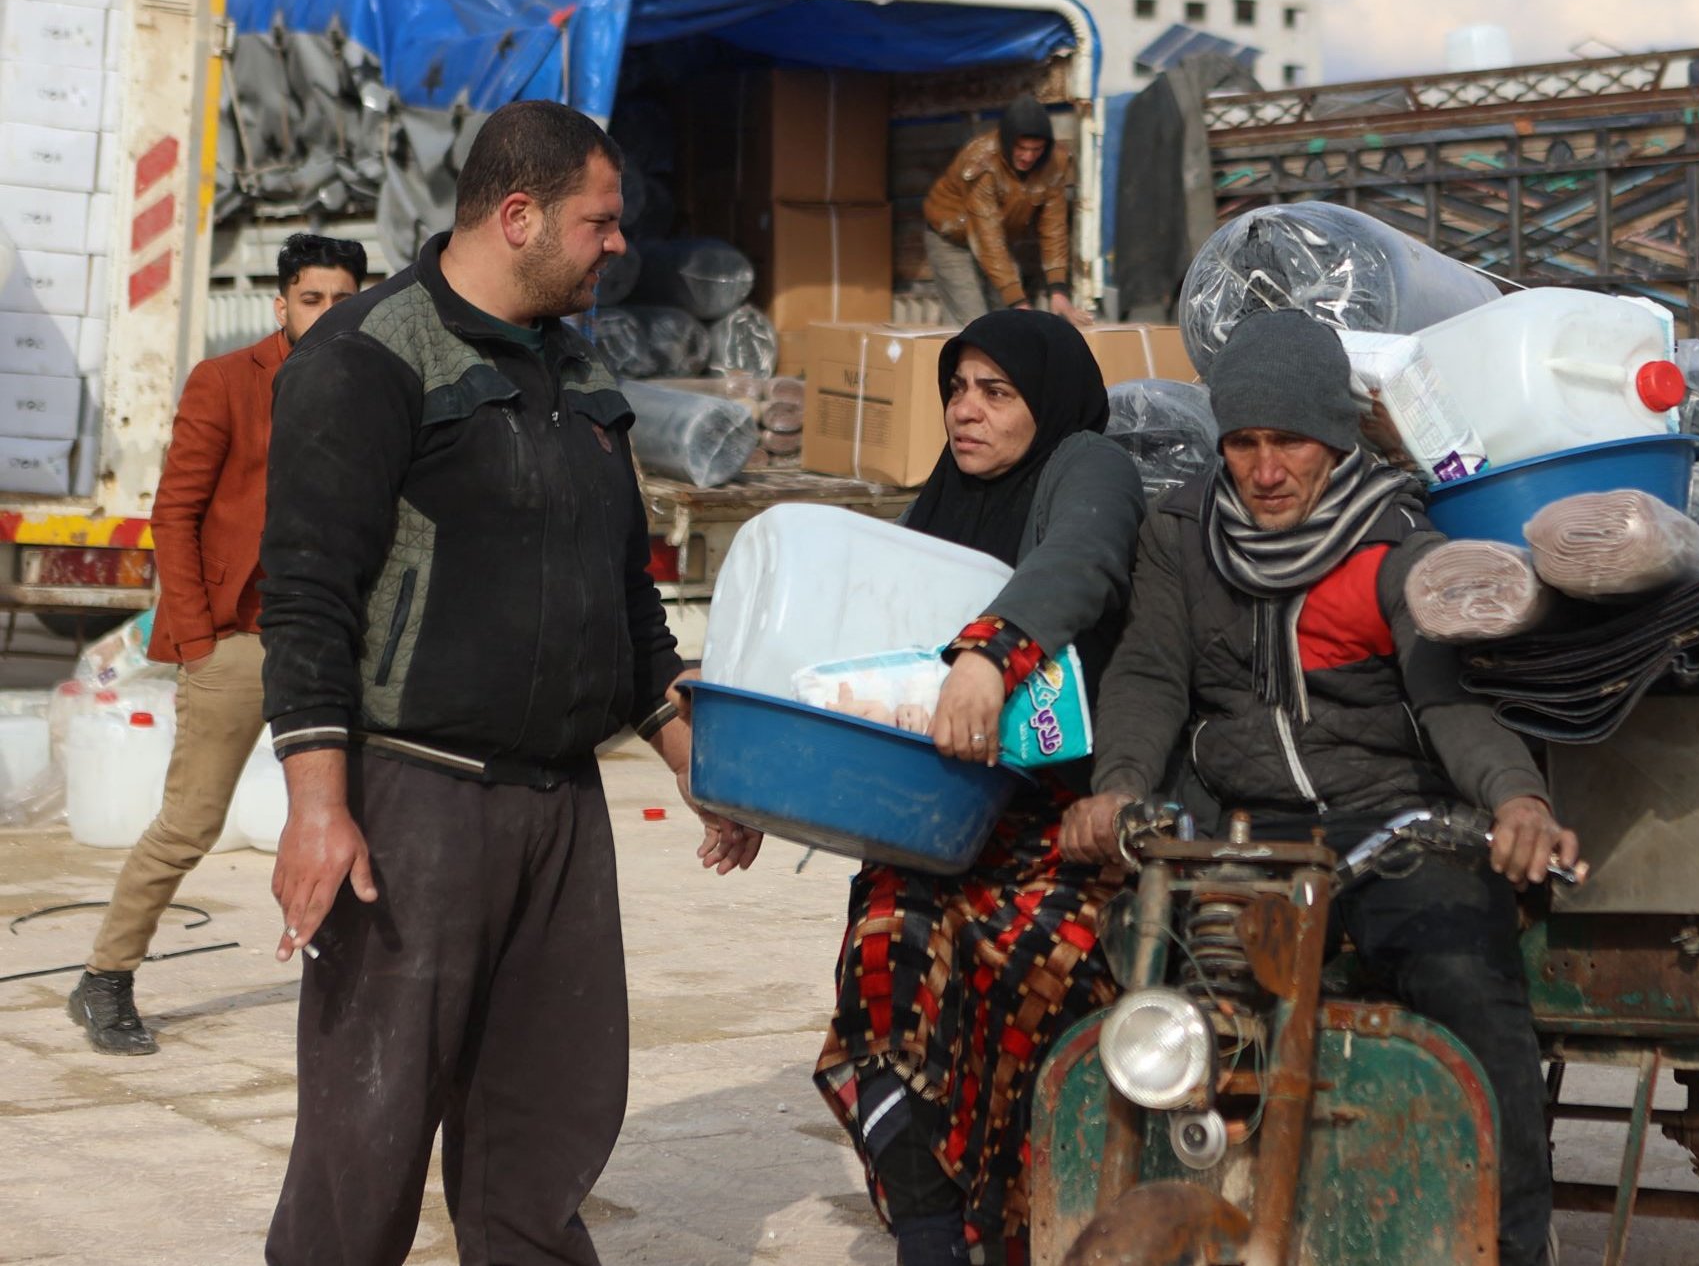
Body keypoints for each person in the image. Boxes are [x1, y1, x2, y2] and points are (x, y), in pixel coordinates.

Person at [256, 100, 762, 1266]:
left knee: (546, 1131)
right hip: (415, 804)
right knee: (365, 1142)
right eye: (600, 220)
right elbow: (307, 594)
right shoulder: (367, 357)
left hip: (561, 811)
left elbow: (624, 603)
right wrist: (318, 806)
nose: (618, 243)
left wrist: (694, 755)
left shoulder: (575, 369)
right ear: (520, 215)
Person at [1060, 309, 1587, 1266]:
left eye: (1290, 443)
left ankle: (1515, 1242)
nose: (1265, 471)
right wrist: (1118, 787)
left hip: (1393, 823)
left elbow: (1448, 700)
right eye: (1244, 443)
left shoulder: (1395, 542)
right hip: (1245, 828)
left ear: (1336, 442)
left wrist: (1518, 798)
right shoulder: (1183, 532)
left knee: (1469, 982)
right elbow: (1148, 675)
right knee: (1151, 979)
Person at [814, 309, 1146, 1266]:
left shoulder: (1089, 467)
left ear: (1045, 400)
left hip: (1063, 828)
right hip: (937, 819)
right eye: (958, 388)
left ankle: (1020, 1226)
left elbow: (1078, 561)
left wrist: (990, 655)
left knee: (1034, 983)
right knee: (885, 966)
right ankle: (930, 1235)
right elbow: (862, 645)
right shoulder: (942, 501)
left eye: (997, 392)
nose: (968, 410)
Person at [65, 233, 367, 1056]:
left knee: (363, 811)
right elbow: (175, 513)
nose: (327, 314)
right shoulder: (227, 380)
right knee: (191, 821)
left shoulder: (371, 384)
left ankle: (362, 984)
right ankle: (104, 978)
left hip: (331, 642)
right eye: (312, 299)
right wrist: (198, 639)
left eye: (343, 300)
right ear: (282, 303)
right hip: (238, 640)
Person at [921, 93, 1083, 327]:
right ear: (1008, 141)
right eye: (1022, 148)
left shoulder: (1054, 162)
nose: (1028, 156)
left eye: (1036, 149)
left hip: (998, 240)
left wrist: (1058, 289)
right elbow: (987, 236)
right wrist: (1018, 302)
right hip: (951, 239)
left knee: (1007, 320)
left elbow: (1054, 226)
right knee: (974, 321)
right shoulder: (981, 161)